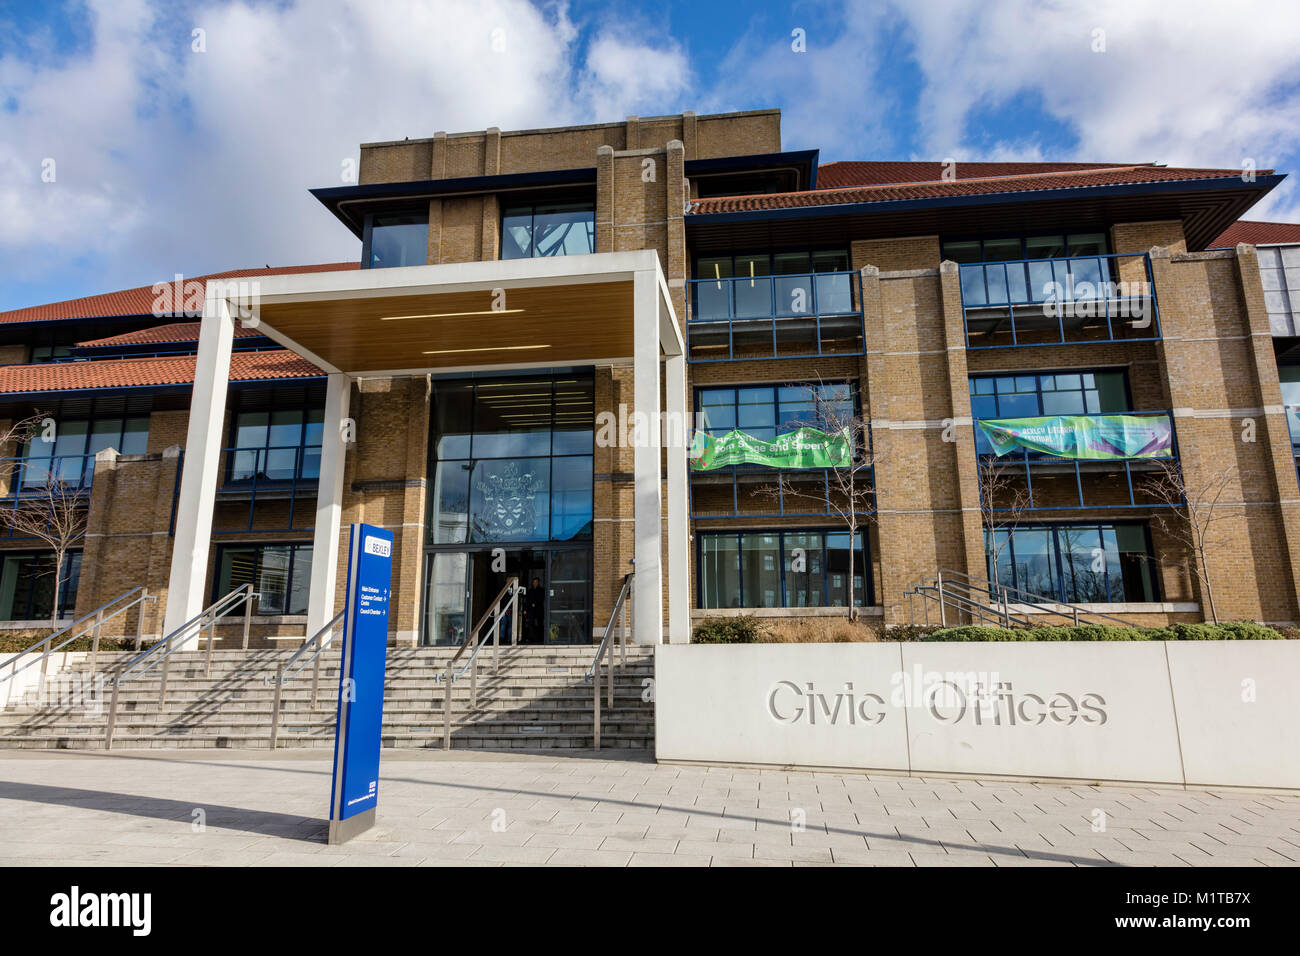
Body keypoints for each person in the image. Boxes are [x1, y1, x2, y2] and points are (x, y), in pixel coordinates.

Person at [524, 576, 545, 644]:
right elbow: (527, 601)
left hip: (539, 609)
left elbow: (541, 599)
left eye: (536, 582)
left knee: (540, 624)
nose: (535, 583)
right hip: (531, 610)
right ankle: (531, 638)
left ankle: (540, 638)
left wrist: (535, 603)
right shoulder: (530, 591)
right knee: (531, 624)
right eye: (534, 582)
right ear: (532, 583)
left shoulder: (541, 590)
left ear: (538, 583)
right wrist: (525, 609)